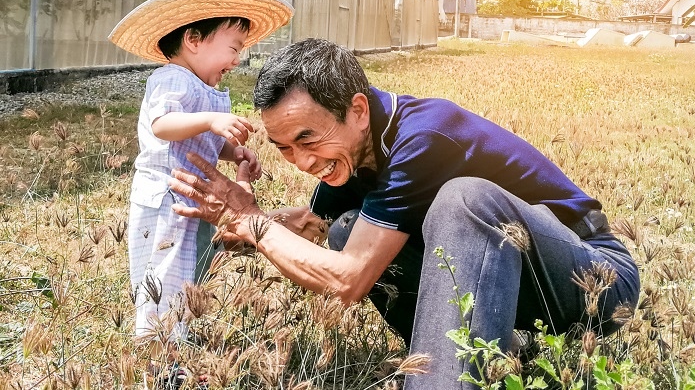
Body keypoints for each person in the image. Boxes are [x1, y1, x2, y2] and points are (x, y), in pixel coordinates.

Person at [169, 38, 641, 389]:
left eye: (308, 139)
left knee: (465, 199)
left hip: (592, 280)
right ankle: (496, 347)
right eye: (284, 148)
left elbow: (349, 279)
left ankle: (441, 381)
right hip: (513, 281)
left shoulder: (424, 136)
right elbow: (317, 230)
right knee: (348, 229)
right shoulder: (351, 156)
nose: (303, 161)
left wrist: (255, 226)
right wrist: (250, 220)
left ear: (357, 109)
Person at [107, 0, 293, 340]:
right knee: (164, 269)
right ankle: (159, 344)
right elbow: (163, 125)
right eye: (234, 47)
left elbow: (199, 138)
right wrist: (211, 118)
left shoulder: (205, 88)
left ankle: (180, 334)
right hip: (167, 199)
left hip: (194, 198)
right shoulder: (173, 79)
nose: (237, 59)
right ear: (193, 39)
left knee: (192, 267)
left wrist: (233, 151)